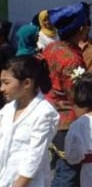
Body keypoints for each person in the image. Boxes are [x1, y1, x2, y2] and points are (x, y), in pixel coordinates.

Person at [42, 2, 91, 186]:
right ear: (80, 28)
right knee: (68, 174)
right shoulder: (71, 59)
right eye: (86, 25)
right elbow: (77, 96)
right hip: (68, 122)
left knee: (56, 170)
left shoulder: (51, 48)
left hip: (50, 116)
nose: (87, 29)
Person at [0, 55, 59, 187]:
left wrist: (19, 185)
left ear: (27, 83)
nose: (2, 88)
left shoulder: (44, 113)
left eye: (6, 83)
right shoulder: (8, 109)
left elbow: (34, 156)